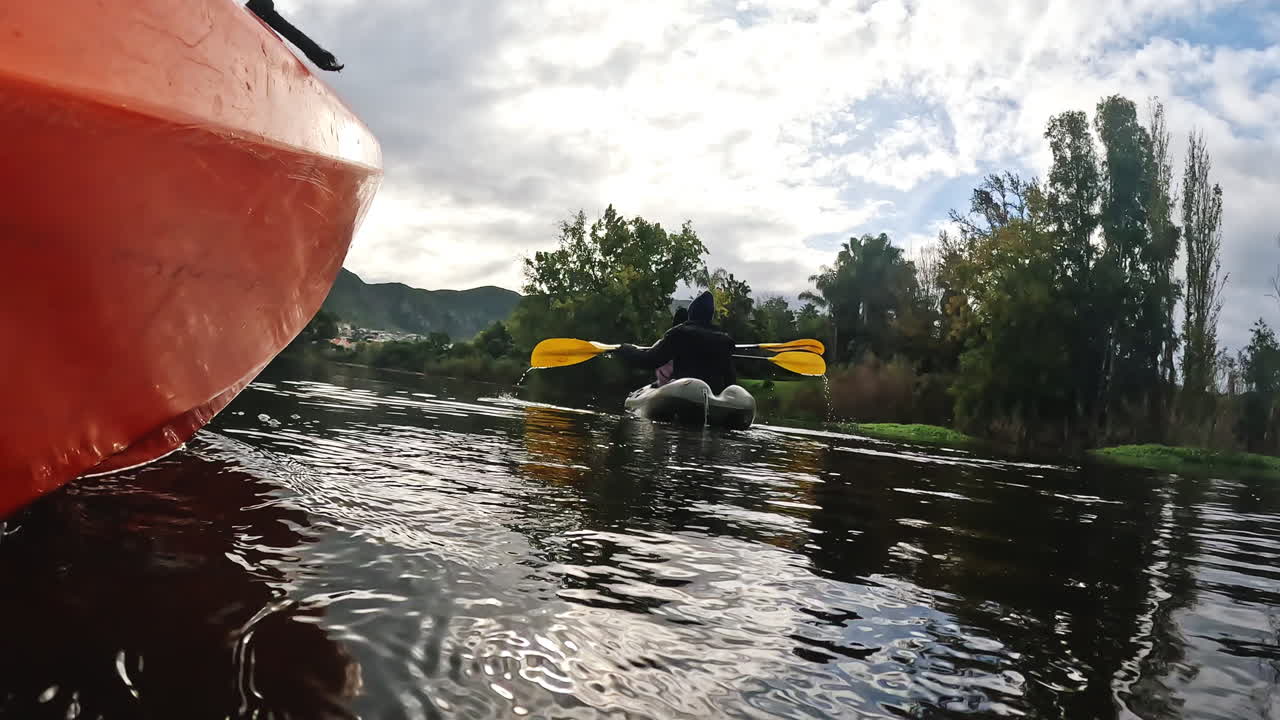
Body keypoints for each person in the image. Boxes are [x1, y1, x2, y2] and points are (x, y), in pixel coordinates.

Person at [616, 291, 737, 393]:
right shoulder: (725, 340)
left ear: (691, 314)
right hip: (713, 394)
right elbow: (730, 380)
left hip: (684, 391)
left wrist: (627, 350)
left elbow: (650, 360)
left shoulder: (679, 333)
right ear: (710, 316)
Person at [653, 306, 689, 387]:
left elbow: (653, 357)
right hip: (686, 383)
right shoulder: (694, 341)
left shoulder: (667, 339)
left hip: (667, 383)